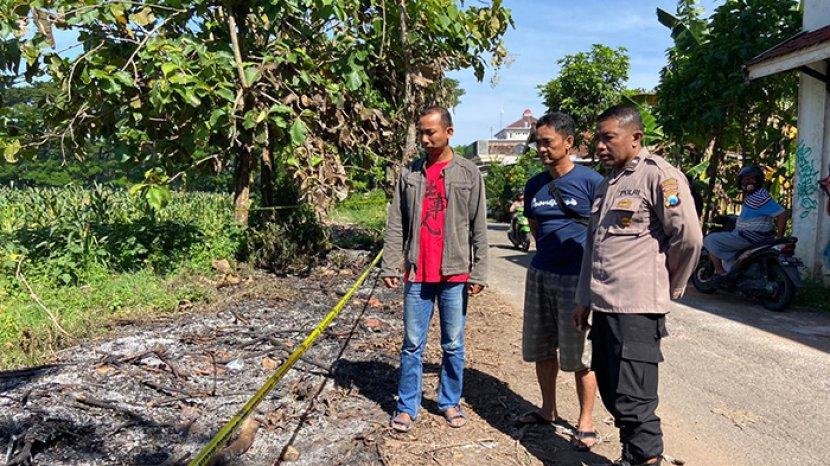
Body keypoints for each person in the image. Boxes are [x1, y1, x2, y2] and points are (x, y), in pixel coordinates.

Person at [573, 105, 702, 466]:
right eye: (598, 137)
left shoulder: (659, 176)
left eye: (608, 137)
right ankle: (631, 456)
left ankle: (647, 458)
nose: (600, 145)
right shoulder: (606, 184)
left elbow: (688, 238)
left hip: (637, 309)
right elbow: (593, 248)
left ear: (636, 138)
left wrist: (667, 284)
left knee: (635, 399)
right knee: (613, 393)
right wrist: (583, 299)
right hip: (604, 306)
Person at [381, 106, 488, 432]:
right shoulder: (410, 174)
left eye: (431, 132)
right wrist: (390, 262)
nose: (425, 139)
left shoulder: (469, 174)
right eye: (421, 133)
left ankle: (449, 401)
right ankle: (406, 405)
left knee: (453, 344)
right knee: (412, 344)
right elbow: (396, 222)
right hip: (417, 273)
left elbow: (478, 226)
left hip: (454, 274)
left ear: (449, 132)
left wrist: (479, 271)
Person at [514, 112, 604, 452]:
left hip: (576, 280)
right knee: (541, 347)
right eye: (538, 142)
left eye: (548, 142)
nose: (541, 149)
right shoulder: (535, 184)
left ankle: (586, 420)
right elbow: (536, 228)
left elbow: (604, 232)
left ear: (568, 143)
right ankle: (548, 409)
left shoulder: (592, 182)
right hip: (540, 273)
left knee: (579, 354)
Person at [702, 166, 788, 277]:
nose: (749, 182)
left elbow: (781, 213)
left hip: (750, 237)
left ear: (758, 180)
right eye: (746, 179)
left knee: (710, 240)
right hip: (754, 237)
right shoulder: (753, 196)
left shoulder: (759, 197)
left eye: (752, 179)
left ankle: (720, 272)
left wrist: (780, 237)